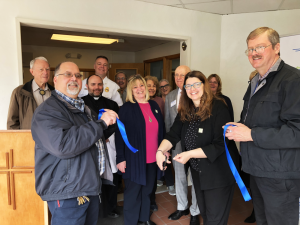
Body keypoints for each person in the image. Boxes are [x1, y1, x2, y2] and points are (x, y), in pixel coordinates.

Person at [225, 27, 300, 225]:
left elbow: (296, 132)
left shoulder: (293, 80)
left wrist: (251, 134)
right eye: (250, 49)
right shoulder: (256, 81)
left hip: (280, 176)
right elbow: (255, 122)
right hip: (255, 170)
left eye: (260, 47)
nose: (253, 53)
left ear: (277, 48)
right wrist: (239, 127)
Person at [31, 61, 118, 225]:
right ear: (55, 80)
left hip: (87, 186)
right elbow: (63, 145)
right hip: (68, 193)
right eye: (68, 74)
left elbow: (90, 138)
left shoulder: (81, 107)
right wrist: (101, 124)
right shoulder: (47, 111)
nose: (74, 78)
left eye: (78, 75)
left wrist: (109, 124)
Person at [157, 71, 238, 225]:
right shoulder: (186, 110)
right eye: (188, 85)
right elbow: (173, 134)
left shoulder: (218, 106)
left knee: (215, 220)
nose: (192, 88)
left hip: (218, 174)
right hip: (199, 173)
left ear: (204, 86)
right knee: (206, 216)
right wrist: (160, 151)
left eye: (196, 84)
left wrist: (189, 154)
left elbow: (220, 144)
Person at [115, 75, 165, 225]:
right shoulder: (126, 109)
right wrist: (120, 158)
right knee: (132, 193)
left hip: (152, 158)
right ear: (130, 90)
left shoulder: (154, 105)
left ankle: (144, 220)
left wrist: (164, 150)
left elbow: (161, 130)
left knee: (147, 191)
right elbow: (119, 135)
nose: (139, 89)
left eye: (141, 86)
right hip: (133, 159)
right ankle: (131, 222)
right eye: (135, 87)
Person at [165, 65, 200, 225]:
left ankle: (195, 211)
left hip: (194, 144)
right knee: (179, 176)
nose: (179, 78)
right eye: (176, 75)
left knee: (195, 177)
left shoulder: (195, 94)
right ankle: (182, 207)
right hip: (177, 143)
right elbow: (168, 122)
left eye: (183, 75)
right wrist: (167, 145)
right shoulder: (170, 96)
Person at [81, 74, 120, 219]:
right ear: (87, 86)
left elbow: (117, 125)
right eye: (93, 84)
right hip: (89, 146)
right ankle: (93, 211)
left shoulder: (112, 104)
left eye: (99, 84)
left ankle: (111, 208)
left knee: (111, 178)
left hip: (110, 146)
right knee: (93, 177)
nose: (97, 87)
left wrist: (105, 137)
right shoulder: (80, 103)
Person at [7, 56, 54, 129]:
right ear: (32, 72)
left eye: (47, 69)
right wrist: (19, 140)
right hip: (28, 138)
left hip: (51, 138)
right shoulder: (19, 92)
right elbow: (12, 123)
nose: (45, 72)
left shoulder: (55, 93)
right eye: (41, 69)